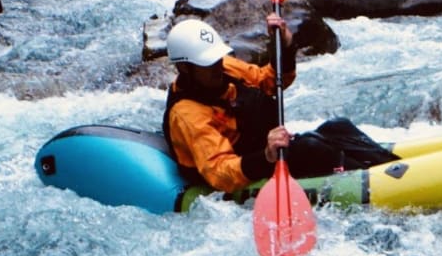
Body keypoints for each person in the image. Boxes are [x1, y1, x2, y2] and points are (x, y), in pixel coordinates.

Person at [162, 16, 398, 193]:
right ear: (184, 68)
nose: (216, 67)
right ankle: (387, 183)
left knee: (337, 127)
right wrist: (265, 156)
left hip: (266, 152)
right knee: (310, 148)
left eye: (216, 59)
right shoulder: (187, 115)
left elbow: (270, 81)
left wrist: (285, 47)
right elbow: (219, 173)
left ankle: (394, 167)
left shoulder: (224, 68)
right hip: (247, 170)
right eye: (207, 63)